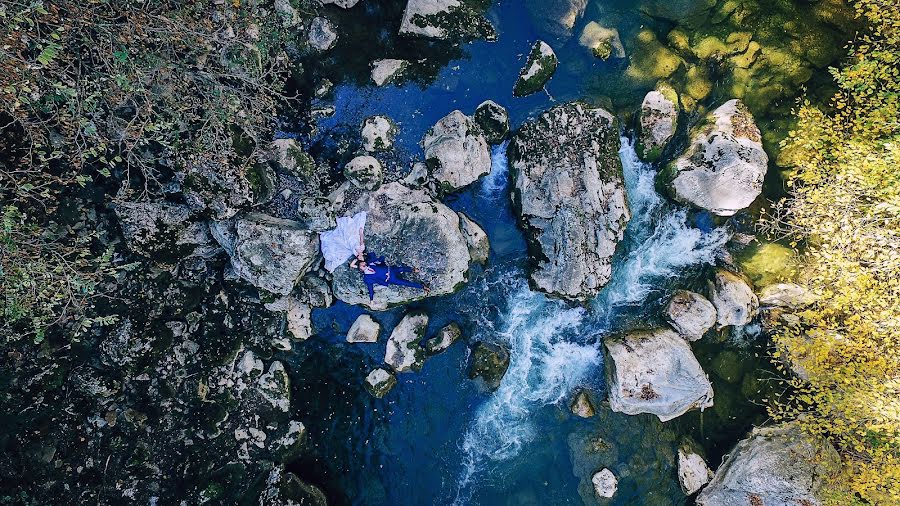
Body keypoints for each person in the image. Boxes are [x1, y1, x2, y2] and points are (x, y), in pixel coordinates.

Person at [350, 252, 429, 301]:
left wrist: (361, 256)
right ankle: (422, 287)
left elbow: (372, 255)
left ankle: (412, 270)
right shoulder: (367, 278)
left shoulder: (370, 263)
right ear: (361, 269)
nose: (364, 264)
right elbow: (370, 288)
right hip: (391, 278)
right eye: (362, 266)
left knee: (401, 269)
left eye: (363, 264)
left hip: (390, 270)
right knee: (405, 283)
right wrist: (371, 299)